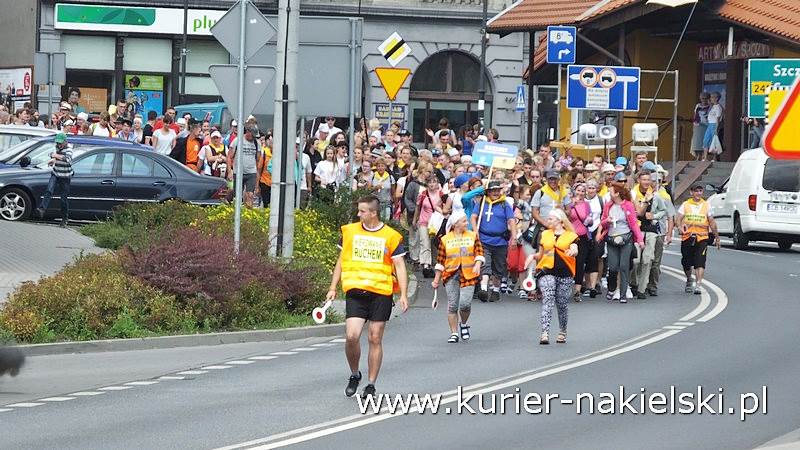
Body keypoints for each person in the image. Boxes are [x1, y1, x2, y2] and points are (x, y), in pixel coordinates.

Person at [327, 195, 408, 399]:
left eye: (362, 211)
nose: (358, 214)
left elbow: (399, 266)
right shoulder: (349, 232)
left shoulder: (391, 236)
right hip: (355, 291)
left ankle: (371, 384)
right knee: (352, 336)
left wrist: (404, 295)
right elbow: (340, 260)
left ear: (373, 213)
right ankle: (355, 374)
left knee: (374, 337)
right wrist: (332, 287)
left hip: (381, 293)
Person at [527, 208, 579, 345]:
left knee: (562, 304)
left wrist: (573, 251)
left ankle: (562, 330)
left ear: (560, 221)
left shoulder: (571, 235)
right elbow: (541, 254)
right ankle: (545, 332)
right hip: (547, 271)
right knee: (548, 300)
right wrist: (532, 256)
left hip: (565, 273)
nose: (547, 221)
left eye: (550, 219)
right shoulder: (545, 234)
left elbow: (575, 248)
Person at [431, 211, 484, 343]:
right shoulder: (445, 239)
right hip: (450, 274)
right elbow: (440, 261)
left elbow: (479, 252)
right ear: (455, 224)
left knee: (465, 304)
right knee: (453, 305)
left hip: (469, 274)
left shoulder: (472, 236)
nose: (467, 223)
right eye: (464, 221)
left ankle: (464, 324)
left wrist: (477, 264)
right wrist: (436, 280)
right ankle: (454, 333)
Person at [596, 180, 644, 303]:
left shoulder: (628, 205)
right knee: (612, 267)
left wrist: (640, 240)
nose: (609, 192)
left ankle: (623, 294)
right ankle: (612, 288)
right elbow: (602, 221)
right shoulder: (608, 205)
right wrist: (608, 220)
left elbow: (633, 224)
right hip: (611, 238)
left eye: (611, 191)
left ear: (617, 193)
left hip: (626, 238)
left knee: (624, 266)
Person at [471, 180, 517, 302]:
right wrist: (475, 231)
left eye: (498, 190)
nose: (496, 193)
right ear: (488, 192)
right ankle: (484, 289)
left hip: (500, 241)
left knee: (499, 267)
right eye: (493, 190)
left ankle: (495, 290)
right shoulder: (481, 203)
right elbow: (473, 217)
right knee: (485, 263)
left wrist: (514, 237)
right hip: (484, 239)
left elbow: (511, 220)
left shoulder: (504, 204)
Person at [630, 166, 669, 299]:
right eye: (644, 179)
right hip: (637, 230)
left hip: (651, 230)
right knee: (635, 260)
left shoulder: (656, 196)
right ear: (639, 181)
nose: (646, 182)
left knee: (647, 260)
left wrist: (655, 216)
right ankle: (633, 283)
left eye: (648, 180)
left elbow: (664, 211)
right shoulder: (633, 194)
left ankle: (642, 288)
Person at [676, 184, 720, 295]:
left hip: (702, 238)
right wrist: (680, 227)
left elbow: (712, 222)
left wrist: (717, 237)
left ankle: (698, 285)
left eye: (700, 191)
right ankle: (689, 279)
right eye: (696, 191)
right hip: (688, 237)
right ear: (691, 192)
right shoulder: (685, 204)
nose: (699, 193)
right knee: (686, 261)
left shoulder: (706, 205)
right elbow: (678, 218)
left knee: (700, 262)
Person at [35, 133, 73, 227]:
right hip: (56, 173)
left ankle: (64, 218)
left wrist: (55, 156)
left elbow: (67, 159)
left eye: (60, 143)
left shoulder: (69, 148)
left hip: (65, 176)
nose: (59, 145)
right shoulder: (56, 147)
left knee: (63, 199)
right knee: (49, 190)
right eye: (57, 143)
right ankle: (42, 209)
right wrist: (53, 159)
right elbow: (51, 154)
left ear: (65, 141)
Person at [413, 175, 445, 277]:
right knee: (425, 243)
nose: (432, 184)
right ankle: (426, 265)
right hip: (424, 221)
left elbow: (445, 208)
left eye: (434, 182)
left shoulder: (442, 194)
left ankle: (437, 263)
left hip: (436, 223)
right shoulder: (423, 194)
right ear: (427, 183)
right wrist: (415, 220)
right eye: (430, 182)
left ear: (437, 184)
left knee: (435, 244)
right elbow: (418, 207)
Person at [567, 182, 592, 301]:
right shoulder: (568, 202)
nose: (580, 193)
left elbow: (588, 219)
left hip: (582, 236)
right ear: (574, 191)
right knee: (567, 262)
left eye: (583, 191)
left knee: (580, 263)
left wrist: (589, 220)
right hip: (569, 236)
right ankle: (565, 288)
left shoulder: (587, 204)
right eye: (578, 190)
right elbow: (564, 216)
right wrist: (572, 205)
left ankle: (577, 291)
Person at [227, 124, 261, 208]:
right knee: (237, 196)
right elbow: (229, 157)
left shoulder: (257, 143)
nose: (253, 138)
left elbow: (258, 160)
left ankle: (248, 216)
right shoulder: (237, 141)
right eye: (252, 135)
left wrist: (257, 178)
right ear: (248, 132)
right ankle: (234, 211)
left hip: (251, 173)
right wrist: (229, 171)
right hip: (238, 172)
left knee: (250, 195)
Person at [703, 91, 723, 162]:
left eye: (712, 97)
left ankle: (714, 158)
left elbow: (718, 119)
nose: (710, 99)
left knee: (713, 141)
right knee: (706, 140)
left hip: (714, 124)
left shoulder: (719, 107)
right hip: (709, 125)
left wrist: (716, 129)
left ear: (716, 98)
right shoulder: (712, 107)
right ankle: (705, 157)